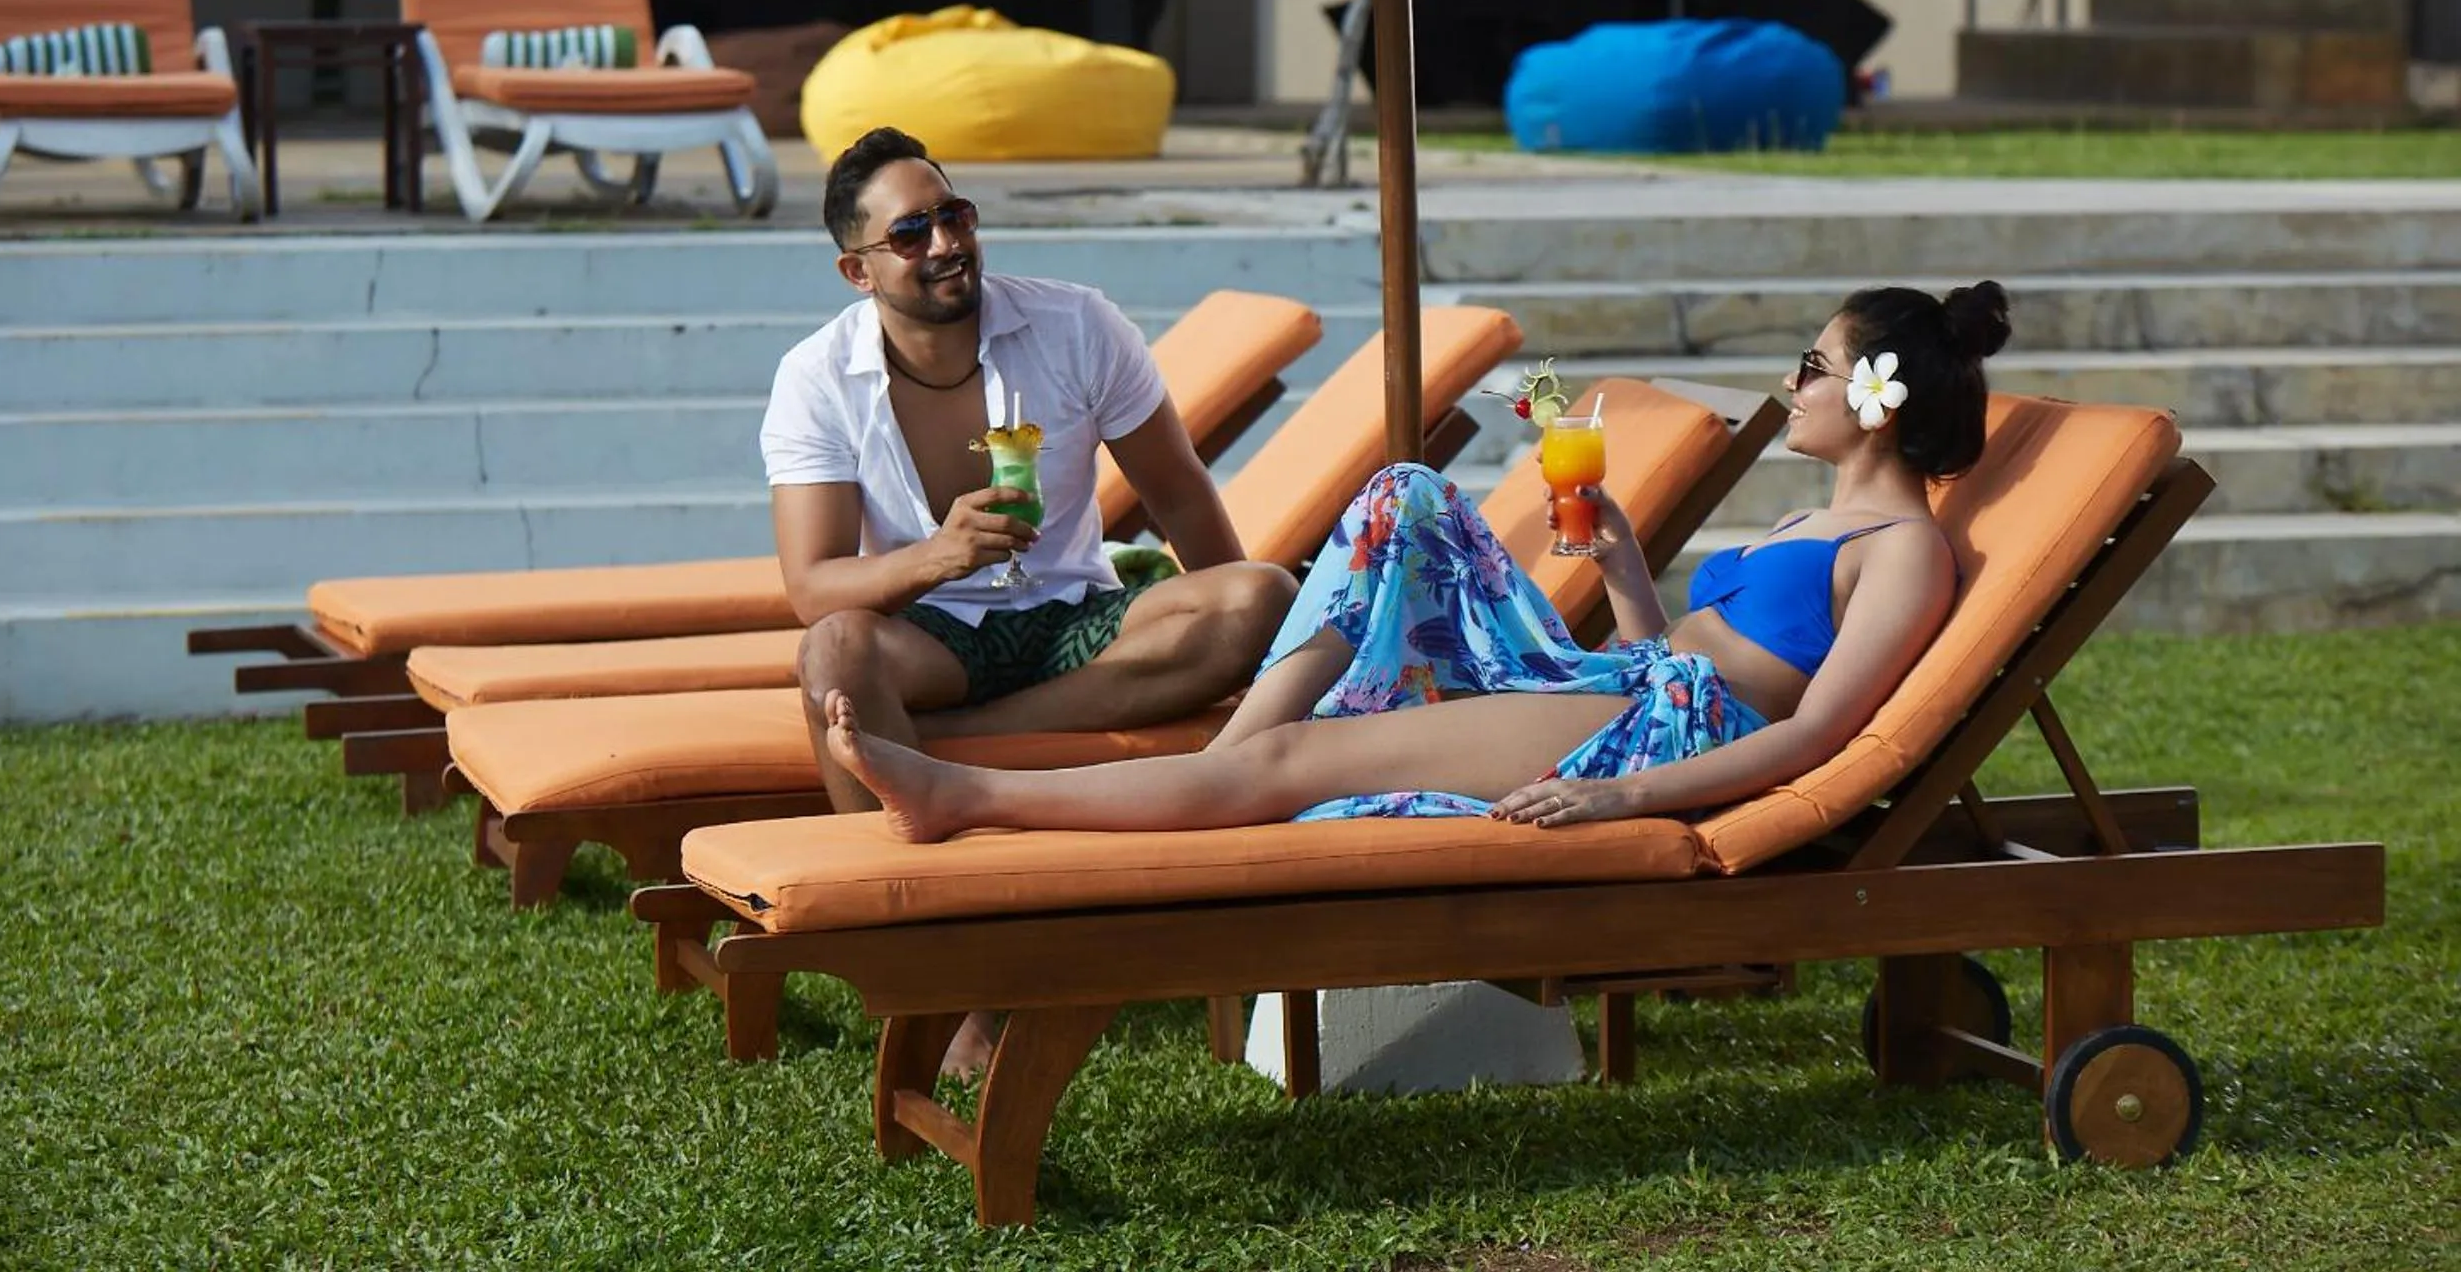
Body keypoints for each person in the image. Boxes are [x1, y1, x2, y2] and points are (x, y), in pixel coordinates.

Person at [822, 281, 2015, 843]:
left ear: (1877, 401)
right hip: (1635, 689)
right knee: (1404, 494)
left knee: (1289, 760)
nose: (1794, 385)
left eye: (1816, 368)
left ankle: (970, 795)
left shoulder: (1900, 552)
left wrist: (1620, 795)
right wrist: (1626, 574)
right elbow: (1676, 652)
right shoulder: (1810, 527)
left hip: (1663, 740)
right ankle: (1232, 770)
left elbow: (1818, 741)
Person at [768, 127, 1300, 822]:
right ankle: (890, 897)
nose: (944, 244)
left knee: (1260, 595)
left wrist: (1248, 652)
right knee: (833, 652)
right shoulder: (818, 377)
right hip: (934, 637)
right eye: (908, 233)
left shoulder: (1076, 326)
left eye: (953, 216)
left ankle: (949, 747)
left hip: (1075, 620)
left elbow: (1177, 492)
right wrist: (940, 556)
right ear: (858, 271)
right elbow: (813, 584)